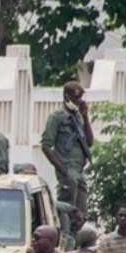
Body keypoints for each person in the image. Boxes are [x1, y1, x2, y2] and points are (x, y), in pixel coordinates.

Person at [40, 81, 94, 212]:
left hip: (79, 170)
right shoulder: (56, 117)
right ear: (66, 97)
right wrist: (63, 170)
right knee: (67, 210)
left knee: (81, 212)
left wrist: (85, 117)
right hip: (68, 169)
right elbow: (45, 146)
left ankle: (73, 232)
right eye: (76, 99)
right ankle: (65, 232)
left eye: (80, 99)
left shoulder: (78, 116)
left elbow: (89, 142)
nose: (79, 102)